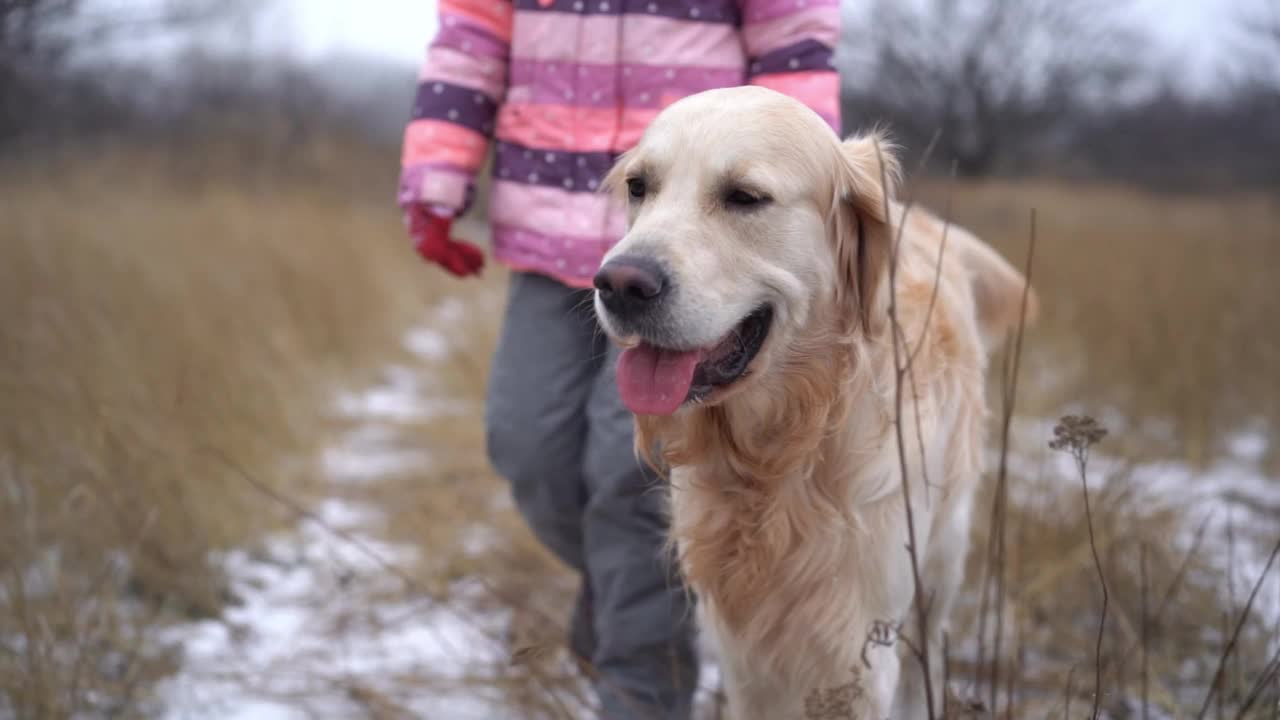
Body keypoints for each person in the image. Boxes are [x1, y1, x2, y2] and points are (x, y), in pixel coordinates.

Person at [398, 1, 841, 717]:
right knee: (526, 448)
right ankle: (620, 590)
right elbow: (468, 46)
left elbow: (794, 45)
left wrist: (792, 190)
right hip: (546, 226)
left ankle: (642, 691)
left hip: (704, 250)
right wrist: (437, 176)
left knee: (631, 480)